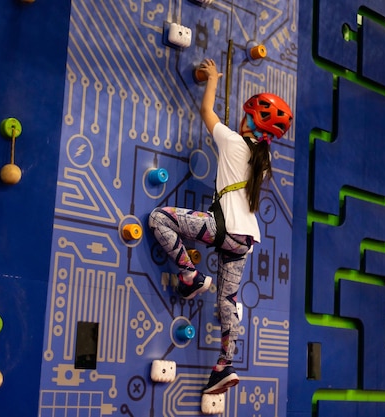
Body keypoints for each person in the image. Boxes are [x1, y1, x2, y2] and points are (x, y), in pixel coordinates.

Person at [148, 58, 293, 395]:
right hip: (245, 239)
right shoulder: (263, 163)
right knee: (227, 301)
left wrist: (212, 78)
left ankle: (189, 274)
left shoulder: (231, 141)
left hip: (222, 227)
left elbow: (206, 110)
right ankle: (224, 365)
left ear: (250, 120)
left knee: (160, 218)